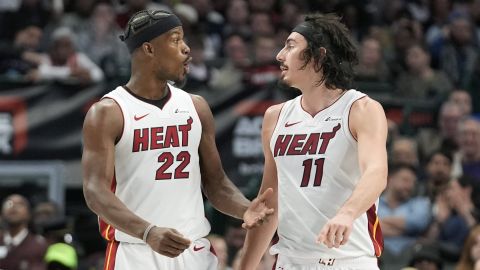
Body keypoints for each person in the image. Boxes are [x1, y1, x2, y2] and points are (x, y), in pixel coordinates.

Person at [82, 10, 273, 270]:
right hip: (136, 252)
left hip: (194, 251)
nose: (186, 49)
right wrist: (147, 232)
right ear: (149, 49)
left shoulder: (196, 106)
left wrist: (244, 209)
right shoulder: (109, 112)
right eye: (175, 40)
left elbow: (216, 183)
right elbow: (95, 191)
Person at [239, 13, 388, 269]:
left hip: (347, 260)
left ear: (318, 56)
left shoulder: (360, 109)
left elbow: (376, 172)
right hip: (290, 261)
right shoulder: (275, 117)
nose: (279, 55)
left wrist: (347, 213)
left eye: (290, 45)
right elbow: (269, 203)